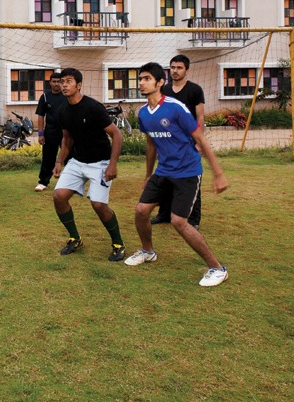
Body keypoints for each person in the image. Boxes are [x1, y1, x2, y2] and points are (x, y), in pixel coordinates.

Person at [127, 62, 230, 287]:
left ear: (160, 82)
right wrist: (148, 175)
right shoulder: (143, 113)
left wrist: (218, 173)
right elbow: (151, 144)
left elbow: (200, 138)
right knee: (141, 211)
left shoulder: (176, 108)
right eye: (140, 79)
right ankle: (148, 251)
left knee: (179, 222)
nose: (141, 83)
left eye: (146, 79)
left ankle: (217, 268)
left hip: (187, 172)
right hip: (163, 171)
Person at [52, 67, 127, 261]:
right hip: (77, 161)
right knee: (59, 196)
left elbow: (116, 134)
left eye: (68, 81)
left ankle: (118, 244)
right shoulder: (63, 111)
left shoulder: (93, 107)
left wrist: (112, 164)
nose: (64, 85)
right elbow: (67, 139)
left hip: (101, 162)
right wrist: (60, 161)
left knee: (98, 205)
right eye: (62, 81)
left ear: (78, 85)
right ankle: (74, 238)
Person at [153, 54, 205, 227]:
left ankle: (193, 219)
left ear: (186, 70)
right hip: (168, 144)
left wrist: (199, 142)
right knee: (165, 179)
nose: (175, 71)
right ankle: (164, 214)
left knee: (190, 181)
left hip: (188, 144)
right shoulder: (164, 90)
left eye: (179, 68)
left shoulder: (195, 90)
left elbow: (200, 116)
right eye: (173, 67)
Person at [33, 70, 67, 191]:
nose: (57, 84)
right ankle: (43, 182)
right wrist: (41, 133)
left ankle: (70, 182)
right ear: (50, 83)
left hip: (66, 133)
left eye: (59, 82)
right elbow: (41, 116)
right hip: (50, 132)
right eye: (54, 81)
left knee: (69, 157)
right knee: (48, 158)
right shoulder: (45, 97)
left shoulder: (67, 95)